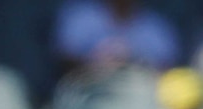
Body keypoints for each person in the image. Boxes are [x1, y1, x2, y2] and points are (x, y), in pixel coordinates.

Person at [51, 0, 181, 77]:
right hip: (89, 95)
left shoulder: (155, 27)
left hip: (140, 98)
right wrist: (98, 66)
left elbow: (167, 72)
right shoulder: (81, 16)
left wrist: (131, 67)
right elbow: (64, 64)